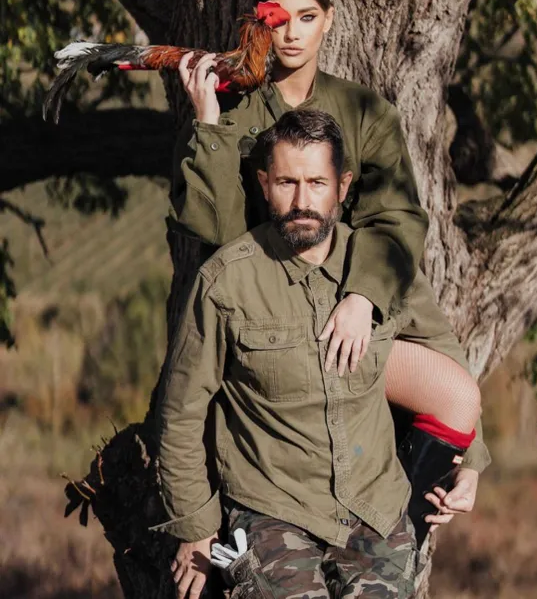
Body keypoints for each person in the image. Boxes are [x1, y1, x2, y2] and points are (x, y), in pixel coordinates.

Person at [169, 0, 490, 542]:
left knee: (443, 366)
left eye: (308, 17)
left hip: (357, 305)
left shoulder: (366, 112)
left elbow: (395, 224)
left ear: (330, 19)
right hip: (270, 322)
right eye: (279, 19)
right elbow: (216, 232)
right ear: (258, 22)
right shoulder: (234, 113)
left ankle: (397, 541)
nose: (292, 34)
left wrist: (362, 298)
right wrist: (208, 124)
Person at [157, 111, 446, 597]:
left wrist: (470, 463)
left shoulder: (383, 268)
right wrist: (195, 527)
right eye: (287, 183)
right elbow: (181, 412)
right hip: (273, 509)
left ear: (343, 186)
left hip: (374, 506)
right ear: (264, 184)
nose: (301, 202)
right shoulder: (227, 281)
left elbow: (444, 356)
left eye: (317, 183)